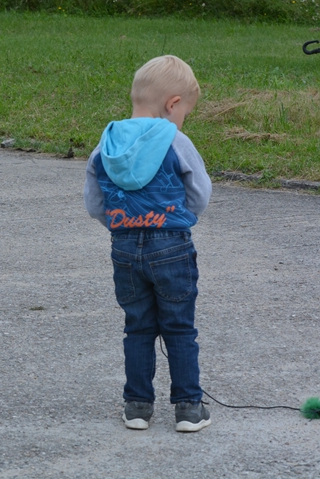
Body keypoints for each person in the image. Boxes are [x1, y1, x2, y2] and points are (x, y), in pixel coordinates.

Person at [83, 55, 213, 432]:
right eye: (184, 112)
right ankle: (188, 408)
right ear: (173, 103)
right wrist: (180, 220)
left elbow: (93, 202)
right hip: (171, 244)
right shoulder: (175, 140)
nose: (182, 119)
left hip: (124, 246)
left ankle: (137, 407)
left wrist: (119, 224)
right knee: (179, 327)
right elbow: (200, 193)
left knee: (138, 326)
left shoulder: (106, 143)